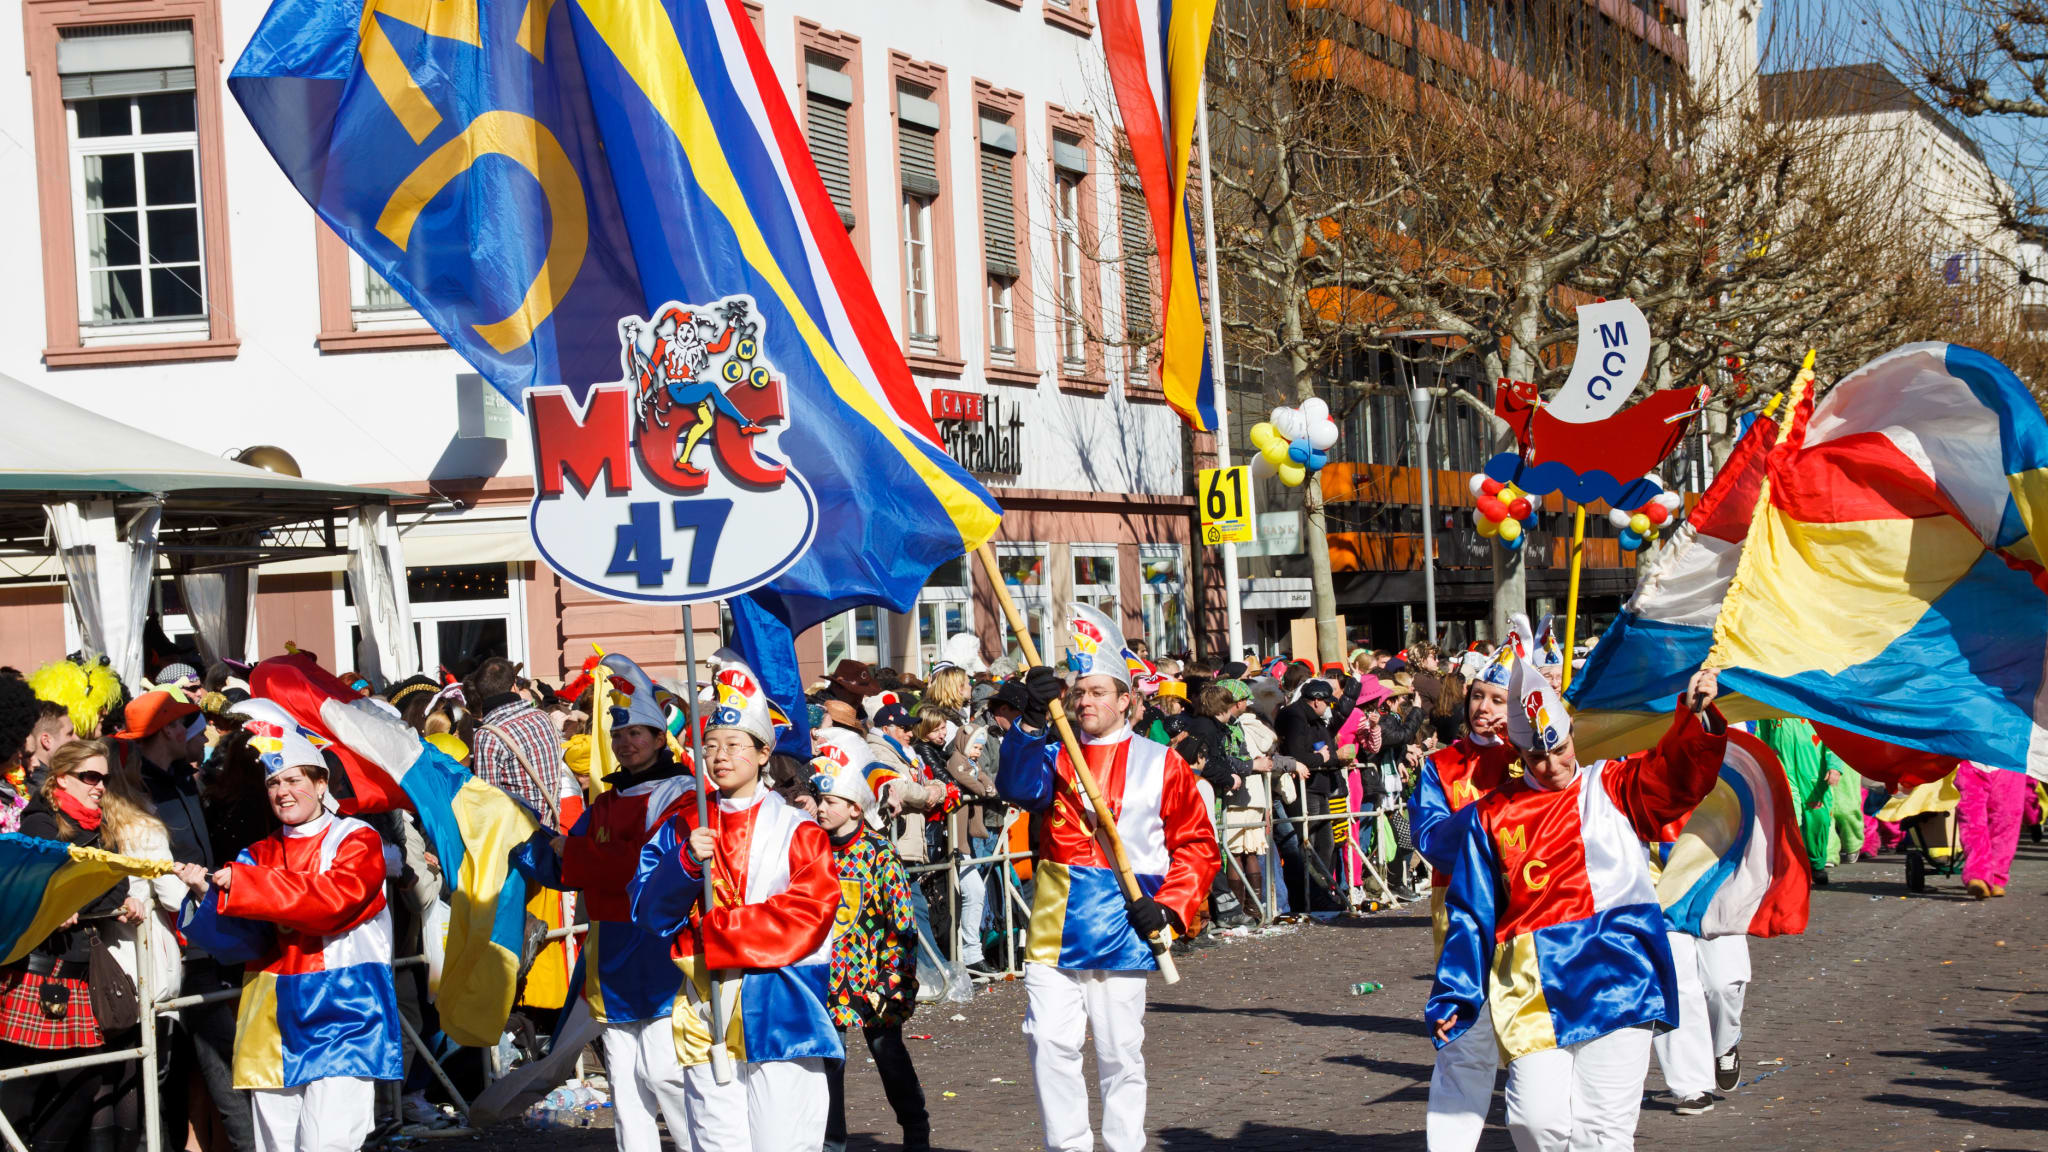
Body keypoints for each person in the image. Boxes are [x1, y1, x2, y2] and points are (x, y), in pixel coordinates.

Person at [1429, 659, 1727, 1152]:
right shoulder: (1491, 814)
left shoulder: (1613, 784)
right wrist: (1456, 995)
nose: (1554, 766)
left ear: (1572, 738)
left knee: (1602, 1132)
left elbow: (1676, 778)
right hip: (1532, 990)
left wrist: (1694, 719)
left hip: (1620, 979)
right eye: (1537, 757)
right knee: (1533, 1123)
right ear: (1518, 753)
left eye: (1561, 749)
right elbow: (1471, 913)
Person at [995, 605, 1220, 1152]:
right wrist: (1029, 723)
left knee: (1120, 1051)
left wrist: (1169, 908)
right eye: (1081, 691)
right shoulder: (1055, 756)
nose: (1087, 700)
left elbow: (1197, 845)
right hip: (1057, 916)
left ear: (1127, 700)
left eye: (1099, 691)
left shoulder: (1162, 762)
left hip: (1127, 918)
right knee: (1048, 1040)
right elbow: (1018, 787)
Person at [632, 654, 841, 1151]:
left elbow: (810, 912)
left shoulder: (798, 830)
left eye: (733, 745)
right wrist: (684, 863)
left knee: (783, 1140)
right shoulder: (683, 827)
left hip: (777, 1009)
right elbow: (645, 907)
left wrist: (718, 932)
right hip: (704, 1011)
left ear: (764, 752)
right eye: (711, 746)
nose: (720, 756)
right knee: (714, 1140)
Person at [174, 702, 401, 1152]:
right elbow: (241, 941)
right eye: (274, 782)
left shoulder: (357, 839)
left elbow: (332, 902)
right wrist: (206, 896)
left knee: (327, 1144)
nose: (283, 791)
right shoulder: (255, 853)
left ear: (321, 784)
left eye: (294, 779)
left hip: (343, 1011)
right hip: (272, 1015)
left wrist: (244, 886)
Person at [511, 655, 694, 1152]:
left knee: (667, 1074)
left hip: (660, 950)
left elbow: (646, 867)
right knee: (625, 1079)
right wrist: (529, 845)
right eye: (619, 734)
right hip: (611, 950)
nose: (625, 742)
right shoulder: (605, 802)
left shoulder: (683, 797)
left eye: (637, 733)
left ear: (661, 739)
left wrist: (576, 852)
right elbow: (573, 867)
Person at [1, 739, 152, 1152]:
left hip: (81, 971)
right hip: (36, 974)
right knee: (20, 1092)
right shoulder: (41, 823)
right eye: (89, 777)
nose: (99, 786)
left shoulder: (100, 828)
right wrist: (70, 898)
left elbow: (111, 889)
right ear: (61, 778)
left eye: (103, 778)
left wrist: (117, 898)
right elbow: (66, 892)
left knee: (82, 1085)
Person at [1409, 644, 1518, 1152]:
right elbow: (1430, 838)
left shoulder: (1534, 760)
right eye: (1479, 696)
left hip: (1528, 912)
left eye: (1499, 699)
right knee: (1463, 1032)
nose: (1485, 708)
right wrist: (1495, 810)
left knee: (1529, 1032)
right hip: (1459, 912)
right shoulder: (1441, 765)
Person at [811, 730, 929, 1152]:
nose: (822, 808)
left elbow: (902, 926)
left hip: (871, 979)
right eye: (820, 800)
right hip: (825, 977)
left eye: (831, 802)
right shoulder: (812, 850)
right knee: (828, 1066)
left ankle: (915, 1129)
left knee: (889, 1056)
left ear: (855, 807)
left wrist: (893, 983)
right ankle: (831, 1142)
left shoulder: (879, 855)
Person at [466, 657, 566, 829]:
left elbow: (489, 802)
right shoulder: (543, 718)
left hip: (518, 840)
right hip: (552, 830)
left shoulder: (488, 735)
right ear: (514, 686)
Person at [1755, 717, 1851, 883]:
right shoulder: (1771, 700)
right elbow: (1762, 735)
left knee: (1818, 820)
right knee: (1791, 818)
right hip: (1783, 771)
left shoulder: (1813, 698)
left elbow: (1834, 732)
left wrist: (1834, 765)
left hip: (1815, 775)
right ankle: (1793, 866)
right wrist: (1760, 765)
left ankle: (1816, 863)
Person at [1957, 759, 2029, 898]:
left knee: (2006, 820)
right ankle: (1978, 875)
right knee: (1972, 820)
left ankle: (1996, 876)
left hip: (2009, 760)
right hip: (1968, 760)